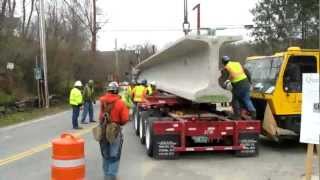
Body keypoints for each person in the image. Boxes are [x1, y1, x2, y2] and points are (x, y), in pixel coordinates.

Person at [99, 82, 129, 180]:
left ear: (108, 90)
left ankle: (106, 174)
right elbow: (124, 119)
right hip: (114, 130)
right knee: (114, 154)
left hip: (103, 129)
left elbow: (100, 117)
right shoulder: (120, 103)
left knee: (105, 153)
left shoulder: (103, 101)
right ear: (117, 91)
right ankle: (111, 176)